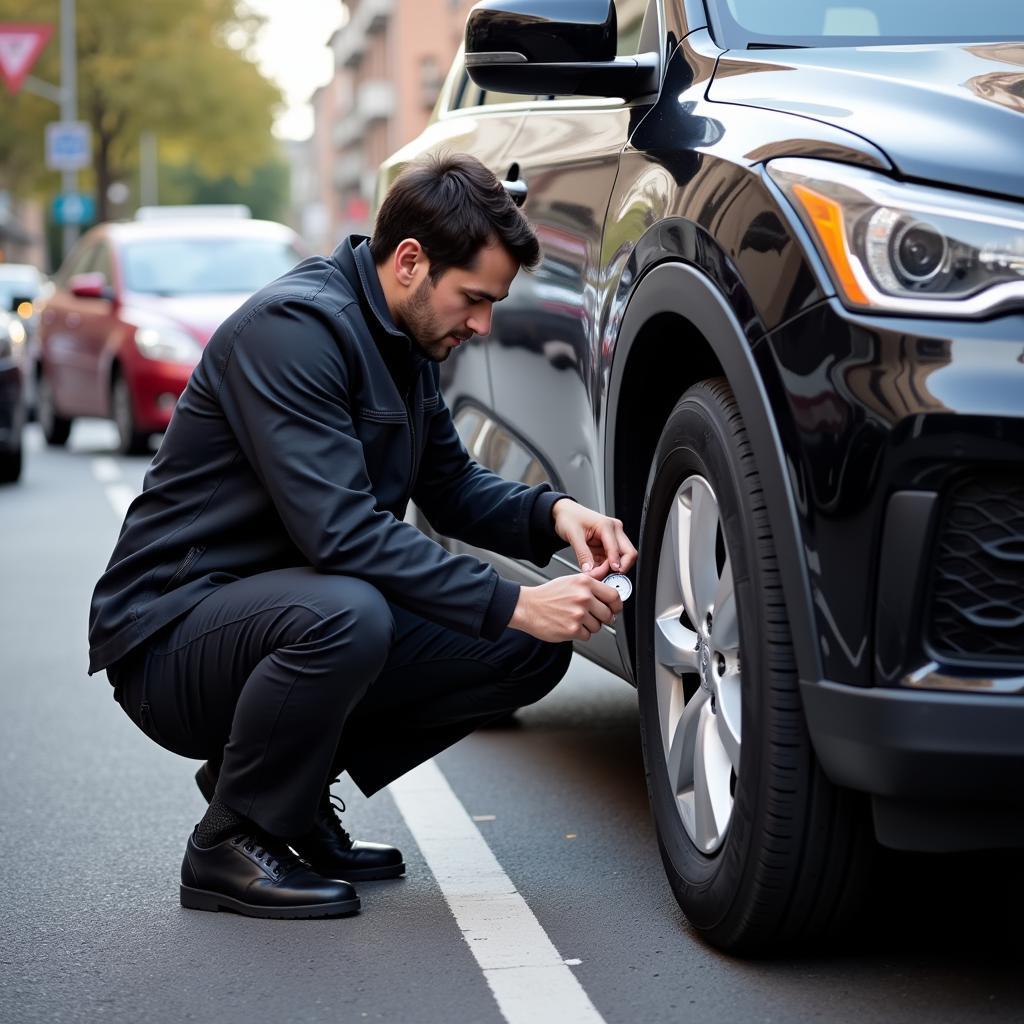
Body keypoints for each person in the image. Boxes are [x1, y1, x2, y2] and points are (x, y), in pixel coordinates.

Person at [88, 153, 637, 920]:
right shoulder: (294, 331)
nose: (481, 325)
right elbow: (342, 535)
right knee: (354, 610)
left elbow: (451, 490)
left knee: (531, 646)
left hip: (287, 613)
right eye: (473, 298)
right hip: (170, 635)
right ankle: (230, 839)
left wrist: (554, 514)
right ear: (410, 261)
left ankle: (289, 792)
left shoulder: (407, 344)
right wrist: (515, 600)